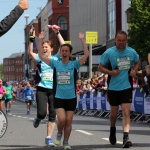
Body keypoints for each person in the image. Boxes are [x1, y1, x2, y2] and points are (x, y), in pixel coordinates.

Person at [38, 31, 89, 150]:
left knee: (69, 121)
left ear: (70, 53)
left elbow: (86, 55)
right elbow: (41, 56)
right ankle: (59, 133)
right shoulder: (55, 63)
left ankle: (65, 142)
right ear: (60, 53)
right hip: (59, 97)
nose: (64, 52)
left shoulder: (74, 64)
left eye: (67, 51)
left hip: (71, 97)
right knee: (61, 119)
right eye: (63, 51)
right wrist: (40, 40)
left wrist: (82, 40)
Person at [98, 30, 140, 148]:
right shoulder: (109, 53)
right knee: (114, 113)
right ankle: (112, 128)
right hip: (113, 87)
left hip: (126, 86)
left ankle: (126, 137)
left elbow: (137, 61)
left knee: (126, 112)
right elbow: (100, 67)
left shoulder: (131, 52)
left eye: (123, 40)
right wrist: (110, 72)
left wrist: (134, 70)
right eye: (119, 40)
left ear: (126, 40)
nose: (121, 43)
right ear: (115, 40)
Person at [28, 25, 65, 146]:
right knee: (43, 113)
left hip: (54, 90)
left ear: (51, 49)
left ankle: (48, 138)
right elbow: (30, 52)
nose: (44, 49)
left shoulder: (56, 58)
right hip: (42, 89)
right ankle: (38, 118)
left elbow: (64, 46)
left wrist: (57, 33)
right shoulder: (40, 58)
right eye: (43, 47)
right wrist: (32, 38)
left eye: (46, 47)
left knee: (53, 115)